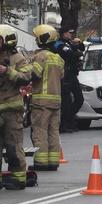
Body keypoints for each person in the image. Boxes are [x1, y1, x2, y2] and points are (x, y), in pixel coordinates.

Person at [0, 24, 35, 190]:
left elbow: (27, 77)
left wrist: (8, 71)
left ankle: (18, 178)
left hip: (12, 111)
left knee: (13, 146)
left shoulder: (19, 59)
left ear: (7, 40)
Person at [27, 25, 65, 171]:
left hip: (41, 102)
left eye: (37, 38)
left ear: (43, 39)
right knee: (53, 131)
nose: (36, 40)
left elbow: (34, 74)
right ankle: (53, 161)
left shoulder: (41, 56)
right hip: (56, 101)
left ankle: (41, 162)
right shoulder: (58, 58)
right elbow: (61, 76)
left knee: (40, 131)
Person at [54, 28, 84, 133]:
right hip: (65, 76)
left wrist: (80, 44)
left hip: (72, 75)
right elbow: (70, 55)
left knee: (79, 99)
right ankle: (65, 124)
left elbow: (80, 49)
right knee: (66, 102)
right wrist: (79, 54)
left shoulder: (69, 44)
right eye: (69, 33)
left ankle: (69, 119)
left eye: (71, 33)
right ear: (63, 34)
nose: (71, 34)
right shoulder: (59, 45)